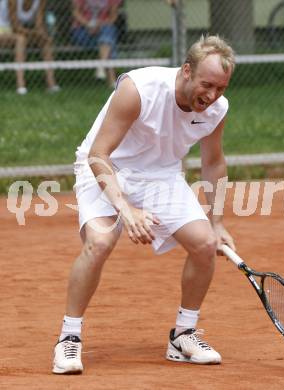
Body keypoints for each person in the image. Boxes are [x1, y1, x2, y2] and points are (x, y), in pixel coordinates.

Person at [52, 35, 236, 375]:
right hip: (107, 166)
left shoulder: (216, 110)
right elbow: (98, 154)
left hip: (161, 176)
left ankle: (183, 335)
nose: (211, 96)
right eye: (207, 85)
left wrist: (217, 220)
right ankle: (69, 337)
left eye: (221, 88)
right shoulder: (140, 88)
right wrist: (126, 209)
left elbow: (214, 162)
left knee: (205, 244)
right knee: (100, 242)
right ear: (186, 71)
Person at [8, 0, 59, 94]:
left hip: (25, 32)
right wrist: (35, 34)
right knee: (21, 40)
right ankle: (21, 85)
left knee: (45, 43)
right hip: (5, 30)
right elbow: (14, 27)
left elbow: (39, 25)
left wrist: (43, 36)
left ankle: (51, 83)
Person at [71, 0, 122, 87]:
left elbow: (113, 16)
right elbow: (75, 12)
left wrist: (100, 25)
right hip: (83, 29)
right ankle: (110, 78)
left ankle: (102, 66)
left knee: (107, 35)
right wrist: (89, 25)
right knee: (108, 42)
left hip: (104, 29)